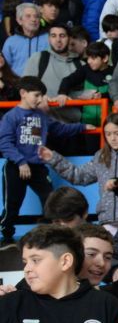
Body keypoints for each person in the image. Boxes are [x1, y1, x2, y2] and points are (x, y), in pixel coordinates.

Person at [0, 76, 87, 243]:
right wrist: (20, 162)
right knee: (12, 206)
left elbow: (58, 128)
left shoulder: (41, 116)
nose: (40, 100)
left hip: (38, 167)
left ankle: (50, 234)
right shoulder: (11, 117)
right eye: (37, 95)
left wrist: (81, 127)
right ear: (23, 93)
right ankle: (6, 235)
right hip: (15, 166)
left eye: (41, 96)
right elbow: (5, 142)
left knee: (50, 200)